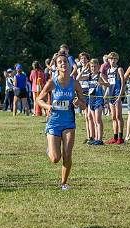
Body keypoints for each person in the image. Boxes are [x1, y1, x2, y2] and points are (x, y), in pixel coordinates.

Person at [37, 53, 86, 190]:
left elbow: (84, 105)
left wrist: (78, 102)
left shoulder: (75, 83)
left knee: (67, 154)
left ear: (69, 65)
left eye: (65, 61)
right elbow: (39, 100)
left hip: (69, 123)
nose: (63, 64)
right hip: (53, 123)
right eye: (60, 62)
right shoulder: (52, 82)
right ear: (56, 66)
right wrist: (48, 107)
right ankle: (50, 150)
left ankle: (64, 183)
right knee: (55, 159)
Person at [88, 58, 110, 145]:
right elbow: (78, 78)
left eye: (94, 66)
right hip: (91, 99)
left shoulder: (100, 75)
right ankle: (96, 138)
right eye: (91, 66)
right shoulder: (90, 75)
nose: (93, 68)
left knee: (98, 120)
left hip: (98, 99)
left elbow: (108, 84)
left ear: (98, 66)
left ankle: (100, 139)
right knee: (94, 120)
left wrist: (102, 83)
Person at [105, 52, 125, 144]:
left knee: (118, 116)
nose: (112, 60)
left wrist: (120, 95)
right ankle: (115, 136)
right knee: (113, 116)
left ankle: (120, 137)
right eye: (111, 59)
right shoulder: (108, 70)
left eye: (114, 59)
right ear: (108, 60)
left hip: (117, 95)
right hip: (110, 95)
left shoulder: (119, 69)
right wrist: (106, 94)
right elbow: (109, 84)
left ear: (117, 60)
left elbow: (123, 83)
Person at [76, 52, 93, 144]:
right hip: (82, 92)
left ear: (88, 59)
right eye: (81, 58)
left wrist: (84, 76)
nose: (83, 60)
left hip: (89, 91)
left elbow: (90, 77)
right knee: (86, 116)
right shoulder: (79, 69)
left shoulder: (91, 68)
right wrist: (83, 72)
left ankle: (92, 136)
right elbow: (78, 78)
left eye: (85, 58)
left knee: (89, 115)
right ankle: (88, 135)